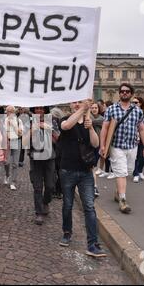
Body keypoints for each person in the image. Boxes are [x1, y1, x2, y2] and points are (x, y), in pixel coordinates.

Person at [58, 99, 106, 258]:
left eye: (80, 102)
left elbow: (95, 143)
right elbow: (66, 126)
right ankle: (67, 232)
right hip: (67, 170)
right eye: (75, 102)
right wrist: (82, 109)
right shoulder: (64, 119)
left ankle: (92, 244)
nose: (77, 104)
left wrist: (91, 127)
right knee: (67, 204)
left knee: (90, 207)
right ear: (70, 105)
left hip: (85, 172)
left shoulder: (88, 122)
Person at [100, 83, 144, 214]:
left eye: (127, 91)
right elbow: (105, 128)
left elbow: (142, 129)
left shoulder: (137, 111)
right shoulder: (111, 109)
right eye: (122, 91)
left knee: (127, 171)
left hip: (132, 146)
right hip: (117, 146)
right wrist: (103, 145)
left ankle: (117, 192)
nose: (124, 93)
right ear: (119, 93)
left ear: (131, 94)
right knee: (121, 172)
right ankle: (123, 200)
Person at [25, 106, 59, 225]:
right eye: (37, 109)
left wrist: (49, 129)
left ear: (45, 110)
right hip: (36, 158)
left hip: (50, 157)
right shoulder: (29, 122)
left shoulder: (52, 120)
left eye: (41, 109)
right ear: (34, 111)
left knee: (50, 185)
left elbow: (59, 138)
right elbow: (23, 141)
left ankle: (46, 202)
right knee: (37, 186)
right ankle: (39, 213)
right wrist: (31, 130)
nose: (39, 111)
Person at [4, 106, 23, 190]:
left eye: (11, 111)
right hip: (7, 141)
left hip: (16, 141)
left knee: (15, 163)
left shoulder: (19, 121)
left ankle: (13, 182)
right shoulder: (4, 120)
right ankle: (7, 175)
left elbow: (21, 133)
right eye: (8, 111)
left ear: (14, 112)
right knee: (6, 162)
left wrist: (13, 125)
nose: (9, 113)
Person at [90, 102, 104, 197]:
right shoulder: (87, 118)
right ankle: (94, 186)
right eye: (92, 107)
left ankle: (93, 186)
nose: (94, 109)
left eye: (96, 108)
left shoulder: (102, 119)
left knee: (93, 166)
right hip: (88, 145)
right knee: (91, 167)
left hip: (98, 145)